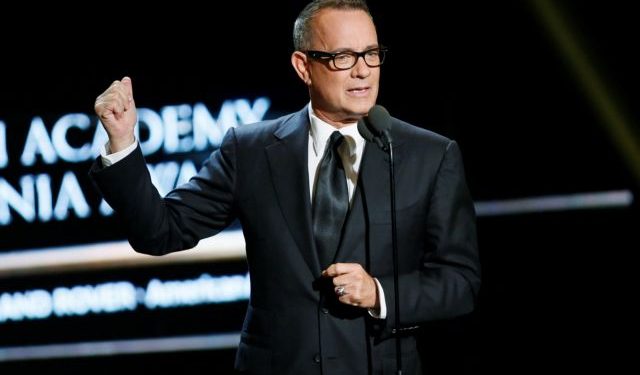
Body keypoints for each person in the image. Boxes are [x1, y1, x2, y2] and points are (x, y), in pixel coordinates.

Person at [90, 0, 480, 374]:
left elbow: (460, 283)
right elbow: (160, 231)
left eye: (371, 53)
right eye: (343, 57)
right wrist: (123, 144)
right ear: (303, 66)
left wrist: (379, 293)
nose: (363, 71)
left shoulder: (429, 155)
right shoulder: (251, 151)